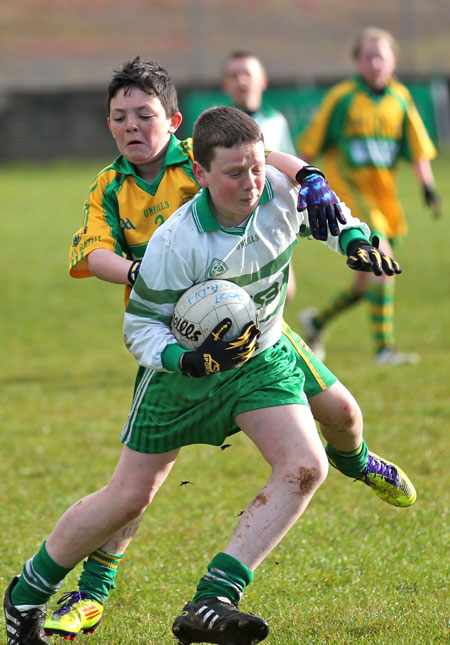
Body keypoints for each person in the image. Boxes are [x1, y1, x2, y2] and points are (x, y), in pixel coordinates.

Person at [3, 106, 416, 645]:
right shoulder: (176, 243)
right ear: (201, 175)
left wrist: (355, 241)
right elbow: (141, 328)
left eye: (255, 168)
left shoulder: (278, 193)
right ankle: (25, 597)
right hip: (179, 378)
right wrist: (187, 359)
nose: (249, 184)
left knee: (304, 465)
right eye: (233, 173)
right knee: (128, 498)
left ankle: (213, 599)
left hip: (258, 358)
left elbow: (331, 218)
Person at [297, 27, 441, 365]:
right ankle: (384, 350)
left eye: (382, 57)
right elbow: (308, 146)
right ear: (357, 61)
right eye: (368, 57)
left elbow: (418, 149)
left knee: (365, 284)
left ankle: (316, 323)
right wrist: (302, 183)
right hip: (350, 193)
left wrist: (428, 186)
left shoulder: (401, 99)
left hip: (383, 199)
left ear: (393, 61)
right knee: (382, 262)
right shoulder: (343, 97)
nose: (375, 63)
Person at [222, 50, 299, 300]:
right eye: (234, 75)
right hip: (235, 219)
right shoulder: (218, 126)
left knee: (286, 291)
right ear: (226, 85)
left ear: (262, 80)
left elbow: (290, 164)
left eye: (247, 73)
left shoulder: (276, 121)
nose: (241, 80)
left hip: (272, 215)